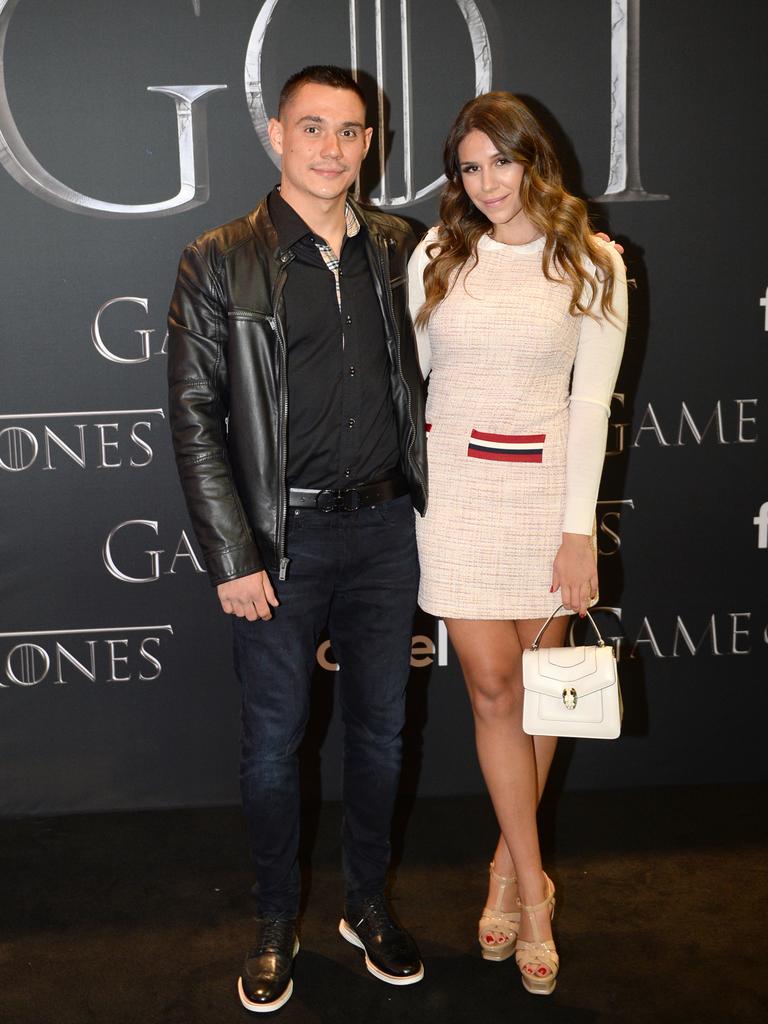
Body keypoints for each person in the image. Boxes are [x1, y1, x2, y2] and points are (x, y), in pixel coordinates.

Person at [167, 65, 427, 1013]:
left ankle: (366, 904)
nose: (332, 148)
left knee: (383, 736)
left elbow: (494, 297)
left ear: (370, 143)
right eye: (312, 128)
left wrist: (579, 248)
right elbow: (194, 416)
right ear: (276, 134)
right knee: (275, 745)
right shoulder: (219, 258)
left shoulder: (403, 248)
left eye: (351, 131)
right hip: (283, 541)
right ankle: (277, 917)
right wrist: (234, 556)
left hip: (390, 529)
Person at [408, 91, 628, 996]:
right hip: (454, 498)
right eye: (471, 165)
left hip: (545, 502)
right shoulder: (436, 254)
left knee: (536, 697)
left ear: (537, 160)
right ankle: (537, 899)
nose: (489, 182)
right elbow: (416, 383)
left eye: (504, 160)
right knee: (491, 685)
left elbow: (590, 407)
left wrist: (579, 531)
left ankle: (509, 872)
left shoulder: (593, 262)